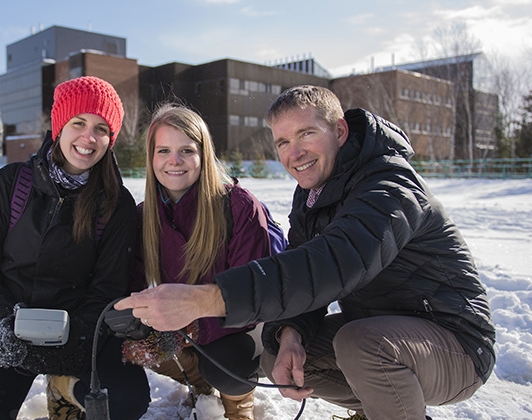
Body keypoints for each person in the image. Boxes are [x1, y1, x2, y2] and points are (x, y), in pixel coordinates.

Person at [116, 86, 496, 420]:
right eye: (282, 142)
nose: (294, 152)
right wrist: (292, 333)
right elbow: (305, 282)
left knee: (359, 344)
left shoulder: (388, 185)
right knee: (277, 354)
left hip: (456, 343)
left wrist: (203, 301)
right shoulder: (313, 196)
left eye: (306, 134)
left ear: (340, 131)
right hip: (383, 330)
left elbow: (331, 265)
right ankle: (381, 407)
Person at [0, 76, 149, 420]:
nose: (89, 137)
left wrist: (76, 343)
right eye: (79, 123)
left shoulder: (116, 204)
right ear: (59, 126)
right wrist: (3, 325)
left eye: (101, 129)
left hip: (78, 337)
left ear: (111, 139)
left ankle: (64, 385)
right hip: (9, 332)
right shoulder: (9, 184)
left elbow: (108, 288)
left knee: (125, 402)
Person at [123, 104, 272, 420]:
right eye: (164, 150)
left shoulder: (238, 205)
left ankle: (239, 404)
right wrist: (132, 324)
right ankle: (199, 380)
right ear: (151, 157)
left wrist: (192, 324)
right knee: (133, 339)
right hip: (184, 327)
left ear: (203, 154)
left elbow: (253, 297)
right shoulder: (144, 215)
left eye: (186, 151)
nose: (174, 161)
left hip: (240, 328)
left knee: (226, 365)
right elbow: (132, 283)